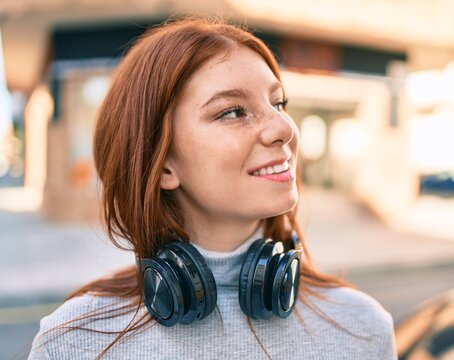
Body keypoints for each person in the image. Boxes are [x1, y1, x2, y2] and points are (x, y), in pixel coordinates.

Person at [29, 16, 396, 359]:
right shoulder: (74, 342)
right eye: (233, 111)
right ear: (163, 166)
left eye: (278, 102)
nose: (283, 128)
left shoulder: (361, 329)